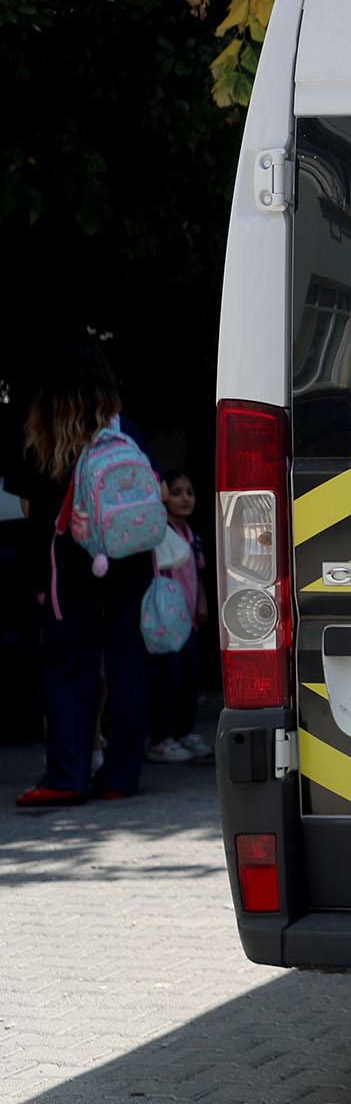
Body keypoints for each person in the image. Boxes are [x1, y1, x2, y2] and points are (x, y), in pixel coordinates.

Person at [13, 344, 156, 808]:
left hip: (70, 567)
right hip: (129, 561)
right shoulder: (126, 431)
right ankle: (120, 776)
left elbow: (32, 513)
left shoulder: (44, 441)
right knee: (127, 663)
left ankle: (67, 776)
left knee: (66, 668)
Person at [145, 471, 211, 765]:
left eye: (189, 492)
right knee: (166, 681)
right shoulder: (158, 532)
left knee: (190, 679)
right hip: (166, 623)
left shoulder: (191, 535)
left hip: (188, 622)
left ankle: (184, 732)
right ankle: (161, 738)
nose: (184, 498)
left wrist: (202, 601)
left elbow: (198, 572)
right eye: (176, 492)